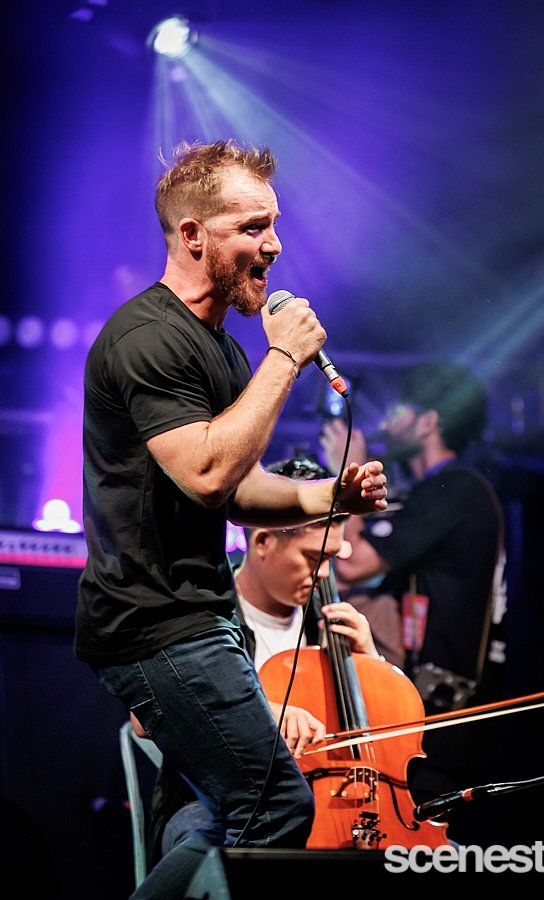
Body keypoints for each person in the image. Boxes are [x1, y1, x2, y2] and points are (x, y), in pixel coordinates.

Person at [74, 138, 387, 898]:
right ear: (192, 235)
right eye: (251, 227)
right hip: (154, 622)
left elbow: (237, 488)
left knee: (224, 816)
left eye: (274, 224)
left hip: (199, 618)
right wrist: (285, 358)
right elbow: (208, 472)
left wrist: (330, 497)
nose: (273, 244)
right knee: (276, 804)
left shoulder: (220, 351)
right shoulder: (149, 338)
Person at [147, 455, 383, 868]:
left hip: (326, 796)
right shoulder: (206, 614)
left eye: (331, 558)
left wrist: (369, 663)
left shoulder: (329, 624)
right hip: (216, 802)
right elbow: (144, 716)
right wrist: (261, 713)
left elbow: (383, 734)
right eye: (313, 557)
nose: (324, 575)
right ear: (263, 542)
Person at [320, 359, 506, 843]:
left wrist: (348, 472)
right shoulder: (438, 493)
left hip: (447, 719)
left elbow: (351, 562)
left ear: (428, 422)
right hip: (434, 715)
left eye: (400, 410)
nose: (387, 423)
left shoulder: (455, 487)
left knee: (420, 849)